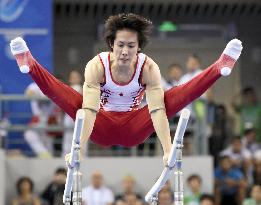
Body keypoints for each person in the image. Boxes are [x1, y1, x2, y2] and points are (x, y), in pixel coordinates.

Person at [10, 13, 243, 165]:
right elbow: (89, 111)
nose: (124, 51)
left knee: (169, 100)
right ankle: (30, 65)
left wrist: (167, 149)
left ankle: (218, 67)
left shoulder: (148, 68)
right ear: (111, 44)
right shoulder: (97, 66)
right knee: (74, 101)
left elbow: (157, 112)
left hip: (135, 128)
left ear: (139, 47)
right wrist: (79, 149)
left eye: (131, 46)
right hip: (100, 125)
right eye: (120, 45)